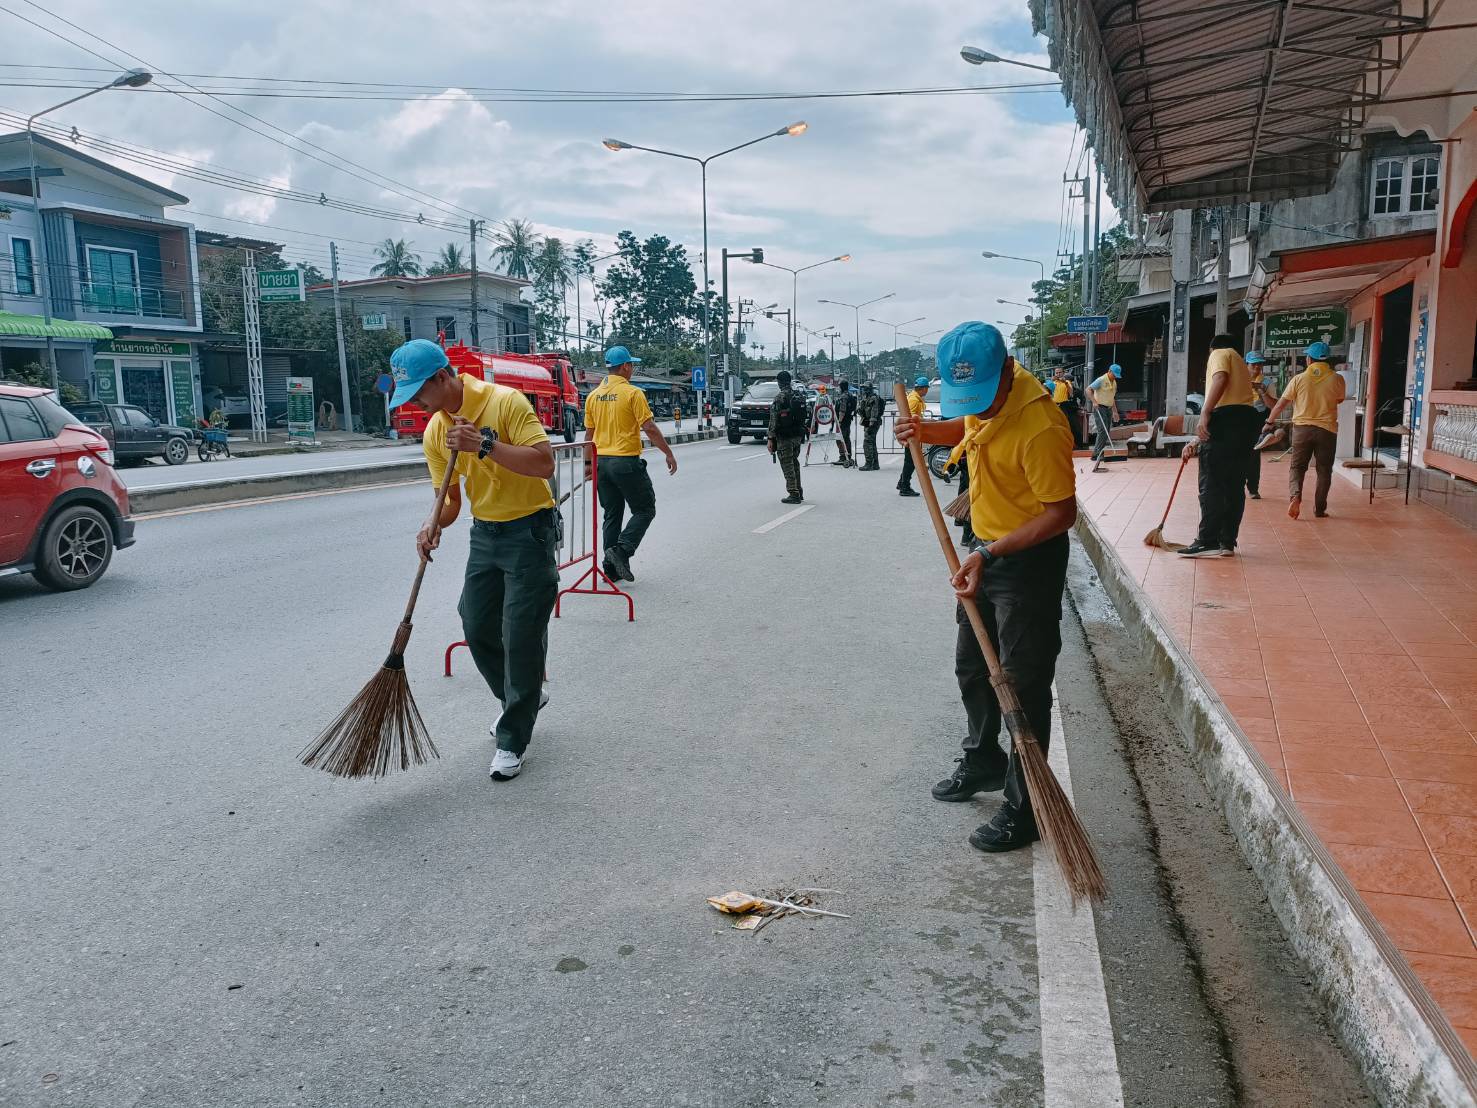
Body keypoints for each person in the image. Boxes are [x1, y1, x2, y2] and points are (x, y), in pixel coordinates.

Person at [895, 322, 1076, 853]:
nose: (978, 405)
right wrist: (923, 431)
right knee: (973, 668)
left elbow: (1061, 514)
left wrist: (990, 553)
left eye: (983, 394)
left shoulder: (1041, 427)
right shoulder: (988, 401)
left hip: (1026, 561)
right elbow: (967, 426)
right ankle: (983, 759)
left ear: (1008, 370)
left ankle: (1026, 807)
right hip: (984, 549)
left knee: (1022, 684)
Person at [392, 339, 558, 783]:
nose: (415, 404)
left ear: (442, 377)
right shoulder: (435, 432)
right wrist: (432, 524)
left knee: (520, 635)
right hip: (486, 534)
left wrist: (484, 444)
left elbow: (544, 464)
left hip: (530, 532)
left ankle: (513, 737)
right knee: (476, 623)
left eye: (418, 393)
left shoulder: (506, 402)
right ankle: (521, 697)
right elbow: (448, 500)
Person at [583, 345, 678, 583]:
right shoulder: (633, 393)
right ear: (625, 366)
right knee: (645, 509)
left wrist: (588, 464)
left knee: (612, 514)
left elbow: (588, 434)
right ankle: (622, 551)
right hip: (624, 461)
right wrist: (668, 453)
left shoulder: (593, 396)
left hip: (601, 462)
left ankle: (610, 570)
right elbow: (649, 428)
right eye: (632, 365)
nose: (633, 369)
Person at [1178, 335, 1264, 558]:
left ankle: (1208, 541)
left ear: (1212, 349)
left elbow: (1220, 378)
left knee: (1212, 483)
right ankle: (1226, 542)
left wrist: (1205, 412)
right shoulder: (1240, 363)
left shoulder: (1219, 353)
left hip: (1226, 419)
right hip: (1246, 421)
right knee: (1234, 485)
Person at [1264, 341, 1346, 520]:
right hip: (1327, 430)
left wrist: (1269, 422)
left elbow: (1281, 404)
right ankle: (1319, 509)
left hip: (1302, 430)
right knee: (1324, 470)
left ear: (1309, 359)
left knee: (1297, 467)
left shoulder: (1299, 379)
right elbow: (1339, 399)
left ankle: (1295, 497)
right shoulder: (1337, 379)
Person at [767, 369, 809, 503]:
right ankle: (798, 490)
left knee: (787, 465)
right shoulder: (798, 395)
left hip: (784, 437)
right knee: (794, 462)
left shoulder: (780, 398)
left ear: (779, 383)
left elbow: (773, 420)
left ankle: (793, 493)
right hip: (797, 435)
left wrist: (770, 438)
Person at [1243, 351, 1278, 500]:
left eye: (1259, 364)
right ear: (1247, 365)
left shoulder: (1267, 383)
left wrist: (1262, 391)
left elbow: (1273, 406)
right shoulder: (1239, 380)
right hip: (1240, 418)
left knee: (1254, 453)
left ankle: (1253, 488)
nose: (1257, 367)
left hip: (1258, 419)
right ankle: (1236, 486)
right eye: (1254, 364)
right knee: (1236, 453)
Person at [897, 375, 930, 497]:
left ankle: (902, 483)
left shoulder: (916, 398)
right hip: (910, 433)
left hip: (912, 432)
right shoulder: (914, 400)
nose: (927, 391)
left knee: (910, 460)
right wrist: (925, 421)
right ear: (923, 388)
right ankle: (904, 487)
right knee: (910, 461)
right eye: (927, 388)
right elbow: (909, 417)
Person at [1086, 363, 1122, 472]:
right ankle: (1096, 454)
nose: (1115, 377)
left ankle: (1098, 453)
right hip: (1100, 407)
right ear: (1109, 371)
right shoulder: (1101, 380)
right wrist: (1094, 402)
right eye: (1114, 375)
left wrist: (1115, 412)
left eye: (1116, 376)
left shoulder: (1114, 382)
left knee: (1107, 431)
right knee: (1102, 430)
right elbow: (1088, 390)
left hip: (1108, 408)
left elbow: (1112, 397)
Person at [1051, 367, 1082, 448]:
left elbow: (1071, 393)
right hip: (1055, 406)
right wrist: (1050, 382)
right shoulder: (1053, 382)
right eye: (1057, 373)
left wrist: (1065, 382)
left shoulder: (1067, 382)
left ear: (1063, 373)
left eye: (1060, 372)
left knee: (1071, 425)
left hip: (1065, 405)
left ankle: (1077, 444)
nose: (1058, 374)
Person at [832, 379, 858, 468]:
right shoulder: (850, 395)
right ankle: (848, 455)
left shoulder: (843, 397)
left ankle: (843, 456)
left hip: (842, 421)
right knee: (846, 438)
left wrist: (839, 421)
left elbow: (842, 410)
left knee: (840, 439)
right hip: (848, 420)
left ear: (842, 387)